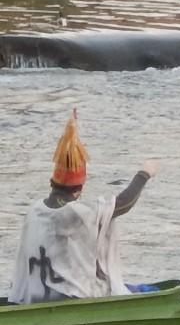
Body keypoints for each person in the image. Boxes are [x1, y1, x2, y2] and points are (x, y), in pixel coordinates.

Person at [8, 111, 157, 305]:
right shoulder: (78, 213)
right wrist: (144, 173)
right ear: (79, 188)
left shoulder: (34, 210)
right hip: (73, 296)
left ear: (53, 183)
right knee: (141, 291)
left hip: (34, 297)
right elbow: (125, 203)